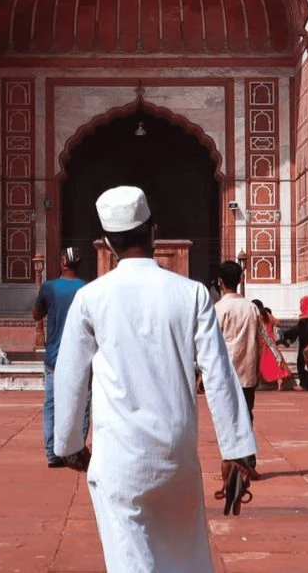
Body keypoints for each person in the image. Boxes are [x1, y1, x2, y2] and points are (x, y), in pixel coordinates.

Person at [52, 186, 257, 573]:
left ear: (108, 243)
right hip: (176, 457)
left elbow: (70, 378)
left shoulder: (92, 298)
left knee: (131, 561)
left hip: (119, 456)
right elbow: (219, 374)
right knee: (186, 558)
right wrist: (236, 449)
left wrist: (70, 444)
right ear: (153, 231)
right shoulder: (192, 294)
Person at [33, 246, 92, 466]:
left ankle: (53, 453)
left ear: (62, 263)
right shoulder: (88, 288)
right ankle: (74, 451)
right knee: (82, 404)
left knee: (51, 404)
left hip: (54, 356)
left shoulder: (50, 288)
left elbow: (36, 314)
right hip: (82, 357)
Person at [212, 260, 263, 418]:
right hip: (247, 373)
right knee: (246, 417)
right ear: (240, 279)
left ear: (220, 282)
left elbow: (212, 345)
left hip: (225, 374)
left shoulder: (219, 309)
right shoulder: (252, 308)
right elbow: (258, 343)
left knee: (227, 419)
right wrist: (257, 369)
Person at [282, 295, 308, 392]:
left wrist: (284, 335)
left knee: (303, 363)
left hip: (305, 346)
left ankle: (304, 385)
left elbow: (296, 331)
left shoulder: (304, 320)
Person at [252, 301, 289, 390]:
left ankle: (259, 381)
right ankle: (279, 381)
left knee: (261, 362)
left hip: (262, 341)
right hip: (271, 341)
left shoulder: (256, 315)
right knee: (276, 360)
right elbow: (277, 322)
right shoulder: (267, 314)